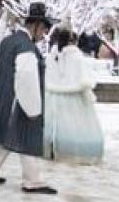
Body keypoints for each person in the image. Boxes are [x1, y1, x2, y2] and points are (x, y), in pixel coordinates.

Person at [0, 2, 58, 195]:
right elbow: (26, 77)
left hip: (2, 97)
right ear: (36, 25)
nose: (43, 35)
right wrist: (33, 109)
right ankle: (33, 181)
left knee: (1, 138)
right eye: (44, 30)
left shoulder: (9, 41)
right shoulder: (26, 47)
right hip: (18, 100)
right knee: (27, 138)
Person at [44, 27, 104, 164]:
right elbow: (85, 79)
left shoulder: (51, 57)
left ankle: (48, 149)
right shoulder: (77, 57)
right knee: (75, 126)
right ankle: (73, 152)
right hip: (74, 98)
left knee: (51, 126)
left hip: (51, 96)